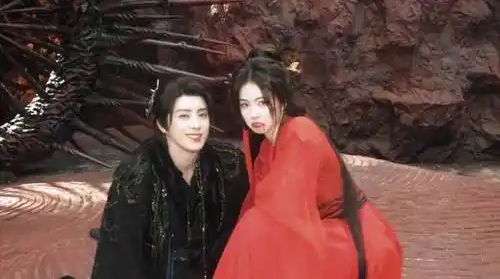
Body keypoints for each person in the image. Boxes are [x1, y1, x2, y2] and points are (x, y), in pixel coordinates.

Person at [214, 48, 403, 279]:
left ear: (283, 99)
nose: (254, 114)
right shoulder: (263, 142)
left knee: (256, 231)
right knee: (252, 229)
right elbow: (258, 203)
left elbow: (284, 212)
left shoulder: (300, 133)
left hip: (349, 237)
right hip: (313, 226)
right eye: (245, 105)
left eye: (263, 102)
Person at [89, 76, 249, 279]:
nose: (196, 125)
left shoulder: (228, 165)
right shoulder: (138, 177)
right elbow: (121, 258)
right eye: (184, 116)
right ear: (163, 125)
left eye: (202, 115)